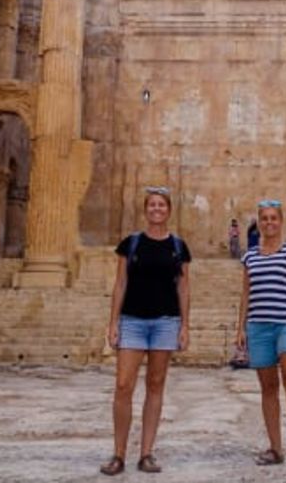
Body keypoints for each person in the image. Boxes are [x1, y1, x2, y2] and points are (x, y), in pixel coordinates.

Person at [101, 186, 191, 476]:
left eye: (161, 205)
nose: (156, 209)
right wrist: (113, 322)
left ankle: (147, 453)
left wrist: (185, 325)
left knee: (155, 385)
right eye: (152, 205)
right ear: (145, 209)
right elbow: (121, 283)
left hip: (165, 322)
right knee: (123, 385)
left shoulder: (178, 246)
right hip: (133, 320)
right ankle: (118, 454)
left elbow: (183, 286)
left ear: (169, 210)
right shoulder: (131, 244)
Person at [236, 199, 286, 469]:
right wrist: (240, 328)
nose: (269, 223)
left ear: (280, 221)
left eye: (273, 218)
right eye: (264, 219)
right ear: (259, 223)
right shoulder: (250, 256)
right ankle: (275, 448)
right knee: (268, 388)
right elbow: (246, 293)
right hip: (258, 325)